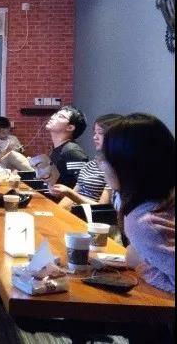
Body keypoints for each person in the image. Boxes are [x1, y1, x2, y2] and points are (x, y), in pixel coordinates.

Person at [99, 113, 174, 293]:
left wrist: (140, 263)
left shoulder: (145, 222)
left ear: (125, 166)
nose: (100, 164)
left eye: (105, 157)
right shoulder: (164, 200)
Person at [50, 114, 122, 209]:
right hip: (75, 212)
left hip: (91, 215)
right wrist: (56, 211)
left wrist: (69, 193)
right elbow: (71, 196)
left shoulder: (114, 168)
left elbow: (103, 208)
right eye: (94, 133)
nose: (95, 137)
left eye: (100, 133)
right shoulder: (90, 164)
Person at [44, 106, 89, 188]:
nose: (53, 117)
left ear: (70, 127)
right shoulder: (57, 149)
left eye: (61, 116)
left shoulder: (72, 151)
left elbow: (84, 187)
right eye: (56, 114)